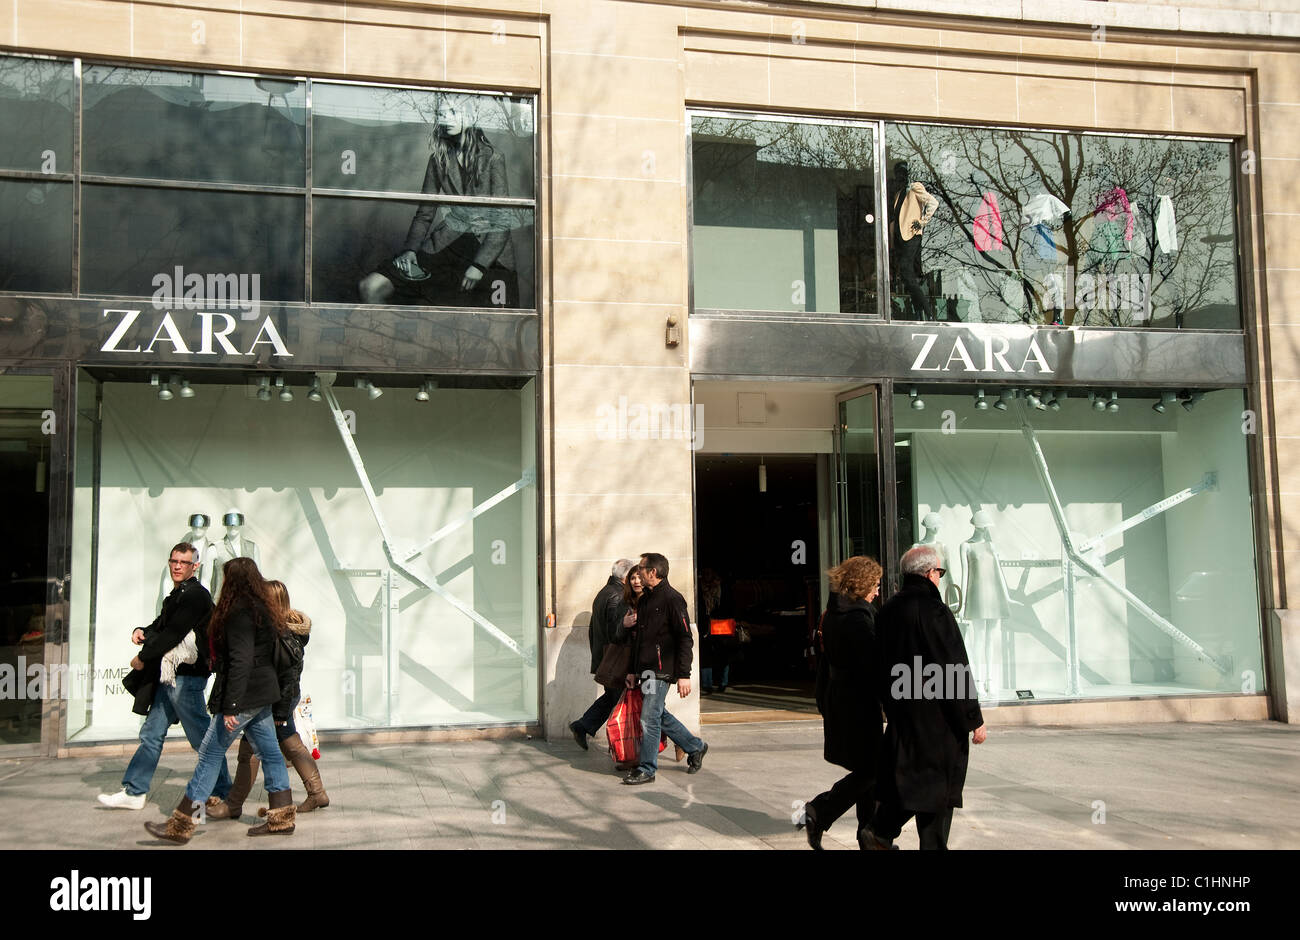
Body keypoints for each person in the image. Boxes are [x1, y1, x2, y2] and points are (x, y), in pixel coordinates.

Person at [143, 557, 295, 843]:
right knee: (271, 754)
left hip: (244, 697)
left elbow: (241, 660)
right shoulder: (263, 608)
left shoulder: (239, 612)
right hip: (262, 694)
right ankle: (282, 817)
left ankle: (183, 824)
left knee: (210, 754)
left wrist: (231, 706)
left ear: (233, 581)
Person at [865, 545, 987, 850]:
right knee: (936, 789)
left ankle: (879, 834)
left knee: (913, 784)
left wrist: (890, 705)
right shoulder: (934, 611)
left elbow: (879, 666)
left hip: (904, 714)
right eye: (940, 572)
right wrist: (973, 718)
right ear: (929, 573)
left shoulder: (888, 611)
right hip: (939, 721)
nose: (940, 578)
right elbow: (954, 667)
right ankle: (885, 836)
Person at [98, 542, 233, 811]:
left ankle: (224, 791)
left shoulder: (195, 595)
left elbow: (173, 633)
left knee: (201, 738)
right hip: (171, 677)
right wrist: (143, 631)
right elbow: (163, 625)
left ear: (195, 566)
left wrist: (143, 658)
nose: (177, 566)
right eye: (173, 561)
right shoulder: (178, 594)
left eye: (183, 562)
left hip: (186, 678)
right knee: (151, 733)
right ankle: (135, 792)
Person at [358, 94, 517, 308]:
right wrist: (410, 250)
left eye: (453, 112)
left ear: (469, 116)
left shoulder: (493, 158)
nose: (446, 118)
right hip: (447, 244)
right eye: (441, 114)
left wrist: (480, 265)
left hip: (488, 251)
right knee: (371, 286)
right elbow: (425, 213)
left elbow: (502, 220)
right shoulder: (438, 159)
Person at [208, 580, 329, 819]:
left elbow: (288, 676)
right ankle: (317, 792)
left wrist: (281, 713)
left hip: (276, 701)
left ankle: (234, 804)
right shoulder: (280, 630)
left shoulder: (281, 634)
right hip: (278, 699)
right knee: (289, 743)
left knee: (250, 751)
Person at [801, 556, 883, 850]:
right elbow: (871, 666)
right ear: (862, 584)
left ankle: (868, 835)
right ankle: (820, 810)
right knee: (873, 770)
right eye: (874, 585)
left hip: (842, 700)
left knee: (867, 770)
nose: (877, 591)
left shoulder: (834, 612)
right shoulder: (859, 618)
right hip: (858, 704)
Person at [621, 553, 707, 785]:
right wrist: (632, 670)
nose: (637, 573)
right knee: (656, 713)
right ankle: (695, 746)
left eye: (641, 568)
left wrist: (684, 675)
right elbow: (639, 640)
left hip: (662, 669)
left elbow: (685, 638)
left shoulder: (673, 599)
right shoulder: (646, 599)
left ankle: (647, 768)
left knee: (649, 717)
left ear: (653, 572)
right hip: (646, 669)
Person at [570, 558, 637, 750]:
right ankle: (617, 745)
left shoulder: (605, 592)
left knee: (612, 697)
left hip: (606, 657)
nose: (636, 580)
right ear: (626, 577)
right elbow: (616, 632)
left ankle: (583, 726)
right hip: (614, 659)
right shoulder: (617, 596)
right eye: (633, 576)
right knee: (620, 702)